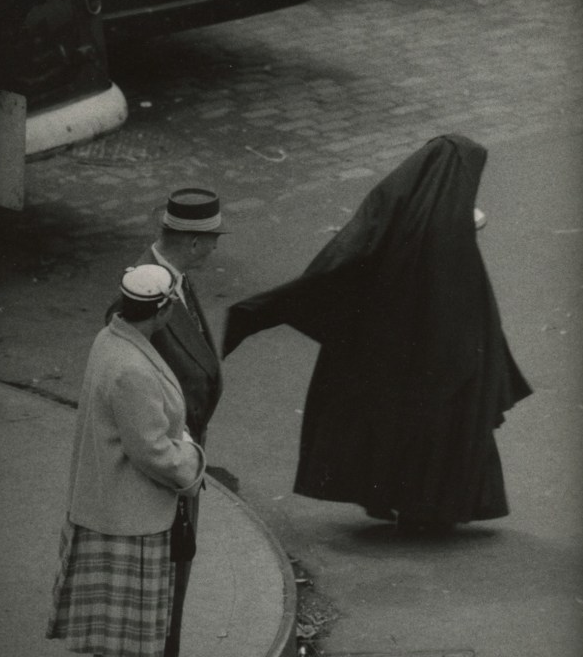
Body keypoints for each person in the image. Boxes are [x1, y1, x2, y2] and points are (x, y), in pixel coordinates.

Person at [223, 134, 532, 533]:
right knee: (441, 432)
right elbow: (463, 301)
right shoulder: (450, 227)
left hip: (391, 350)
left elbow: (347, 258)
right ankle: (429, 509)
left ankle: (396, 500)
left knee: (395, 426)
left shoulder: (396, 207)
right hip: (442, 354)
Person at [47, 265, 206, 657]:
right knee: (119, 628)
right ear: (158, 311)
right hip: (125, 515)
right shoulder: (132, 369)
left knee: (123, 624)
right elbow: (152, 451)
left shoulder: (110, 339)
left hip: (110, 505)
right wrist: (192, 462)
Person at [106, 188, 225, 657]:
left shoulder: (173, 281)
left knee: (177, 563)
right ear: (194, 243)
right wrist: (182, 458)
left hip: (181, 448)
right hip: (167, 456)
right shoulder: (146, 293)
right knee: (163, 568)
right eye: (211, 240)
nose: (214, 249)